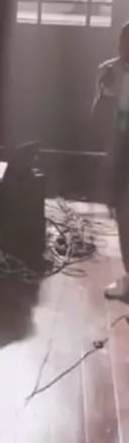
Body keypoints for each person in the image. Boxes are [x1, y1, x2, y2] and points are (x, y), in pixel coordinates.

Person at [93, 22, 129, 300]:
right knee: (123, 215)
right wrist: (106, 94)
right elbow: (96, 118)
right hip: (120, 148)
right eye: (123, 41)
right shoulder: (107, 70)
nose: (123, 47)